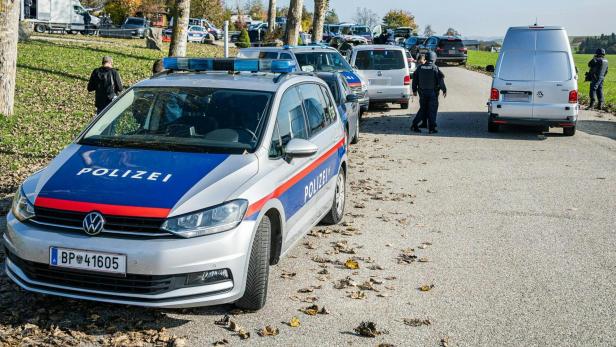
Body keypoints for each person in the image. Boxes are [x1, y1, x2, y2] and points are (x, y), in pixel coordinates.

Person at [411, 52, 446, 134]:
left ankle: (414, 124)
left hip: (422, 92)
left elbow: (415, 79)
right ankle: (432, 128)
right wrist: (444, 89)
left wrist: (414, 90)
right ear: (434, 58)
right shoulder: (435, 68)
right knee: (432, 110)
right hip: (432, 93)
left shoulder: (420, 67)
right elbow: (440, 81)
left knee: (423, 109)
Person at [410, 54, 428, 129]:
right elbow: (415, 81)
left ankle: (424, 123)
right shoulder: (418, 69)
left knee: (426, 108)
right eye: (419, 62)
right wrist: (414, 90)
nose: (420, 64)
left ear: (425, 60)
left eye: (421, 62)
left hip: (430, 91)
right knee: (424, 107)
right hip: (422, 91)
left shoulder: (430, 68)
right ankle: (418, 123)